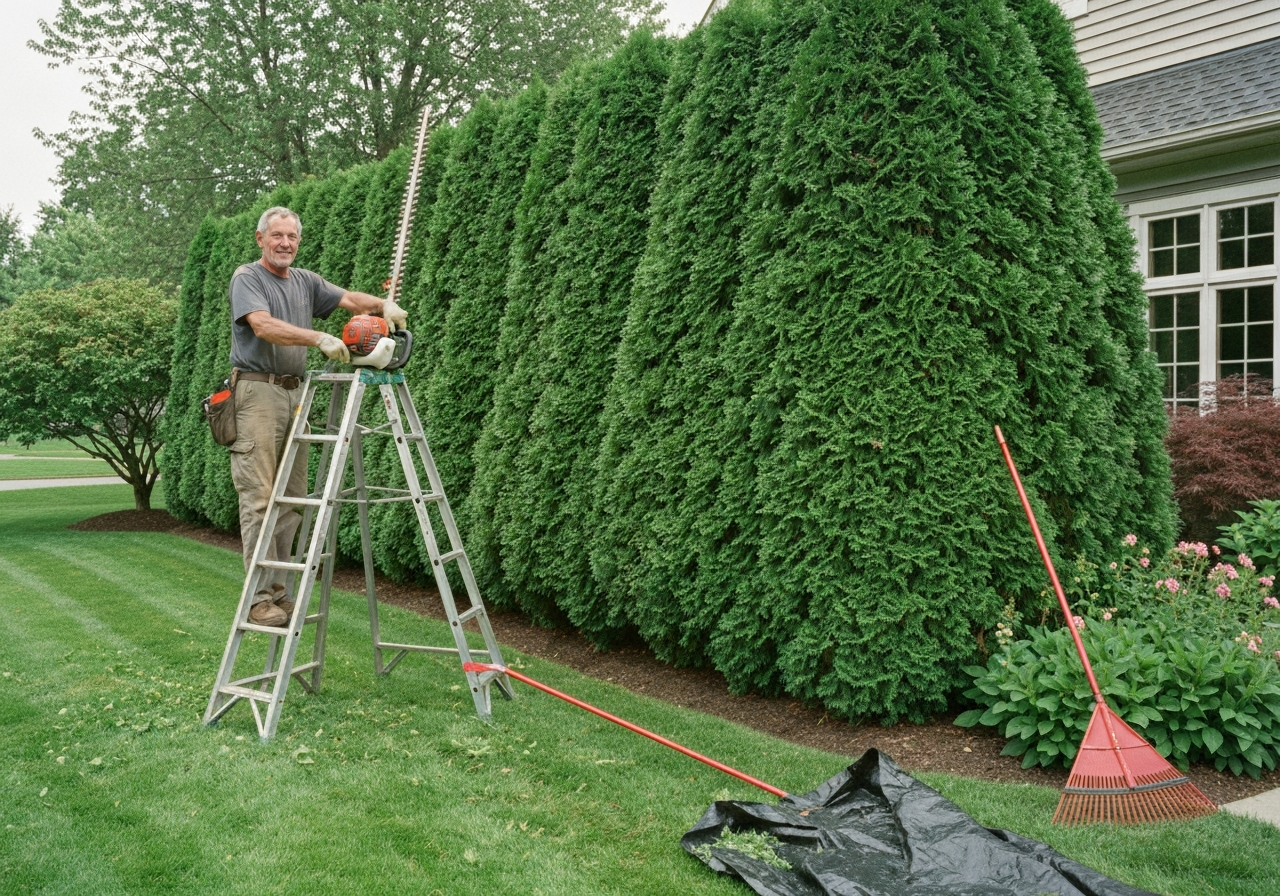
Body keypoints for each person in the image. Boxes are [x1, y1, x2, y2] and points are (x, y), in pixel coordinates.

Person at [227, 206, 408, 626]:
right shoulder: (247, 278)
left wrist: (383, 305)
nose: (285, 243)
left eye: (291, 237)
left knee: (292, 501)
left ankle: (279, 594)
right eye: (277, 236)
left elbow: (348, 300)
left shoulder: (306, 281)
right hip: (257, 393)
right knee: (259, 499)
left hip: (296, 395)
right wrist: (319, 337)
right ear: (261, 239)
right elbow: (263, 325)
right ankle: (257, 600)